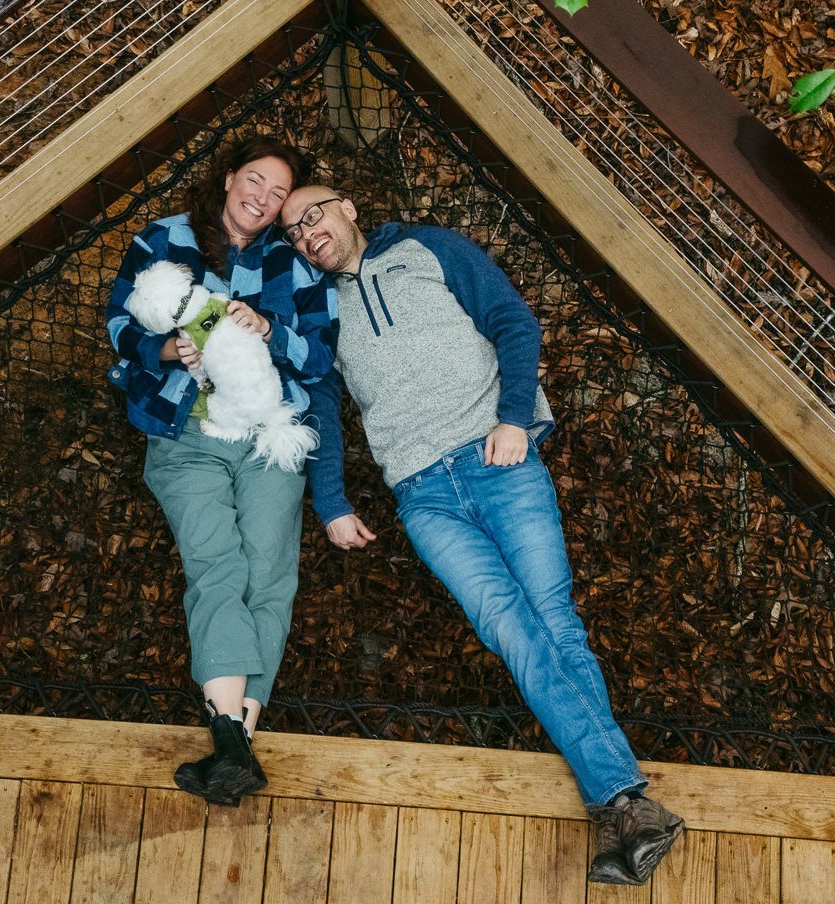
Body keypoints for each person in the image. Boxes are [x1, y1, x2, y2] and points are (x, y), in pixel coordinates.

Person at [282, 184, 685, 885]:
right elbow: (320, 408)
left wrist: (512, 419)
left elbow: (513, 321)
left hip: (499, 459)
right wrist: (331, 503)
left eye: (311, 214)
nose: (304, 232)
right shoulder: (316, 311)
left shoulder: (427, 250)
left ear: (349, 206)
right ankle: (629, 805)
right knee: (508, 626)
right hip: (423, 495)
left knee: (553, 620)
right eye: (290, 231)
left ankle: (622, 805)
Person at [105, 138, 336, 806]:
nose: (261, 199)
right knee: (218, 567)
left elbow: (320, 358)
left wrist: (270, 330)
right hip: (186, 435)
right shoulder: (166, 238)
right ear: (229, 176)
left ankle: (234, 740)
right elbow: (120, 324)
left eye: (275, 194)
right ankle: (231, 741)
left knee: (270, 575)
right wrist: (163, 348)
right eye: (254, 181)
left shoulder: (295, 262)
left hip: (269, 435)